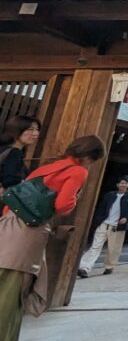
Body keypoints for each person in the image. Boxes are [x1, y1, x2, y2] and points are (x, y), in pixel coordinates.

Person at [0, 135, 105, 341]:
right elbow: (63, 205)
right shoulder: (78, 171)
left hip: (8, 224)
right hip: (28, 233)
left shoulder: (48, 167)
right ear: (89, 157)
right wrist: (75, 198)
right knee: (10, 293)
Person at [78, 175, 128, 278]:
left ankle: (109, 266)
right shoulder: (110, 195)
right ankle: (84, 268)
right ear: (117, 184)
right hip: (104, 224)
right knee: (95, 246)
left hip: (118, 226)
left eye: (125, 183)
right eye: (121, 182)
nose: (123, 184)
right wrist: (99, 219)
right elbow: (102, 207)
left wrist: (127, 217)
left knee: (113, 249)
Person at [0, 116, 41, 196]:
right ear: (16, 131)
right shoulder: (14, 153)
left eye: (37, 129)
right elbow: (11, 180)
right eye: (30, 129)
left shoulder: (5, 148)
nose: (35, 133)